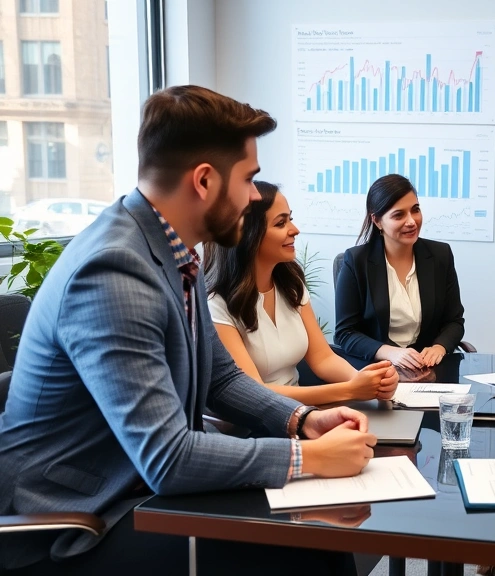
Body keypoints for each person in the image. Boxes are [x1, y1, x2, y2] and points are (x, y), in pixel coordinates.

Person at [0, 85, 374, 575]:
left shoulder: (174, 254)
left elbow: (220, 378)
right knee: (303, 546)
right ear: (204, 181)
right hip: (75, 525)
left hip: (135, 490)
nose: (251, 198)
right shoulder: (114, 271)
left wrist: (300, 420)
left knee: (314, 536)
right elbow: (168, 457)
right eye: (248, 180)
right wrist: (308, 457)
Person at [204, 181, 399, 404]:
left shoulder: (290, 283)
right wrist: (350, 390)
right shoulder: (215, 303)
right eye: (280, 223)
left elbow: (322, 358)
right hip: (253, 424)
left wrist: (367, 381)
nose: (294, 230)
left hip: (299, 412)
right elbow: (253, 393)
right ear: (248, 235)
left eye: (291, 219)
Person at [334, 174, 466, 370]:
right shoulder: (356, 261)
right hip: (376, 368)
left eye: (416, 210)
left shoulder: (440, 255)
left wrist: (439, 347)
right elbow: (345, 333)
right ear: (377, 221)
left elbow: (454, 321)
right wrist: (390, 352)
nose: (412, 221)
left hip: (427, 370)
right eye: (399, 215)